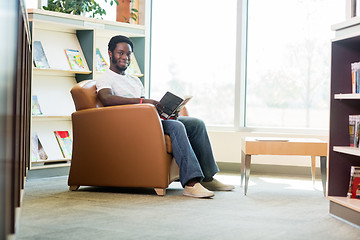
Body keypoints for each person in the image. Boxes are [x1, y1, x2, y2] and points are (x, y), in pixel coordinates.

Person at [96, 35, 234, 198]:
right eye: (120, 53)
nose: (125, 57)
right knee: (177, 126)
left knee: (196, 124)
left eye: (128, 54)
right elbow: (106, 98)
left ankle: (208, 178)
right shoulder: (104, 78)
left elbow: (146, 107)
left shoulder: (135, 81)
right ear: (110, 53)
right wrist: (143, 101)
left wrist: (167, 112)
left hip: (150, 119)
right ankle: (191, 184)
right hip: (131, 125)